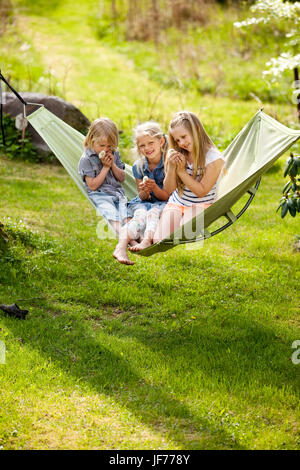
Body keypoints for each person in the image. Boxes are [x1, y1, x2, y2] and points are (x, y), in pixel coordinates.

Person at [153, 111, 224, 243]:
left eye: (184, 137)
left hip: (201, 205)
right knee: (159, 240)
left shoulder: (214, 159)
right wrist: (172, 168)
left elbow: (201, 191)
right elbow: (168, 189)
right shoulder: (179, 153)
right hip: (178, 202)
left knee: (185, 233)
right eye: (177, 140)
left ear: (196, 129)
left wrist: (181, 172)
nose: (181, 143)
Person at [113, 121, 169, 265]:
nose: (147, 148)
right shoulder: (138, 167)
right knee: (139, 215)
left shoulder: (169, 164)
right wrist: (145, 191)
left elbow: (167, 195)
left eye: (151, 143)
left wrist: (155, 188)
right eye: (142, 146)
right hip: (144, 203)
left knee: (154, 212)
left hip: (163, 202)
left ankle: (146, 240)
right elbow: (142, 196)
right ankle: (121, 247)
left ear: (161, 141)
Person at [78, 117, 127, 234]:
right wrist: (105, 168)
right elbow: (92, 186)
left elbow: (122, 178)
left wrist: (112, 165)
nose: (106, 149)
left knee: (128, 217)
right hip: (101, 196)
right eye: (102, 145)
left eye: (110, 146)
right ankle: (126, 239)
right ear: (91, 140)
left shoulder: (114, 153)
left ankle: (137, 240)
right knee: (114, 218)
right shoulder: (86, 159)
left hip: (118, 194)